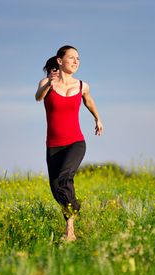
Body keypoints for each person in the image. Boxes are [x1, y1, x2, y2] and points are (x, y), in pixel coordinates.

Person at [35, 45, 103, 241]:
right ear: (59, 60)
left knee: (65, 178)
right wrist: (49, 84)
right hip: (53, 145)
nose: (76, 61)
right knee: (57, 187)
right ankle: (70, 231)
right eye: (71, 58)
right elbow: (38, 97)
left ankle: (73, 220)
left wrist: (97, 118)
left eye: (78, 59)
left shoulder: (82, 86)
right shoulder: (47, 82)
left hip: (75, 142)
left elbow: (89, 101)